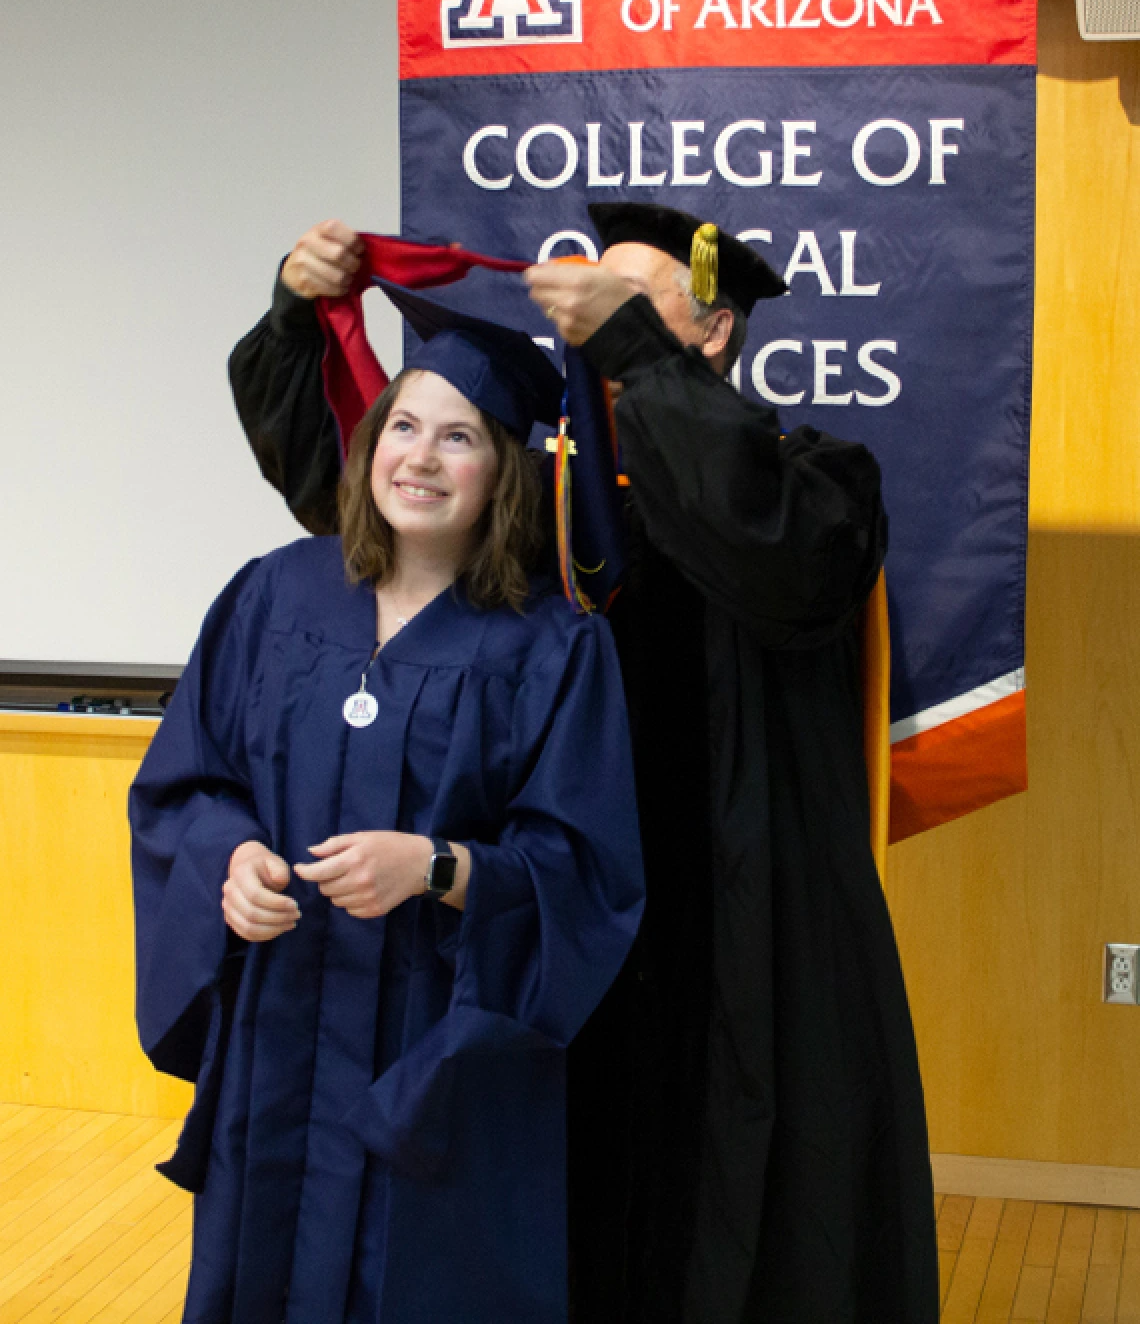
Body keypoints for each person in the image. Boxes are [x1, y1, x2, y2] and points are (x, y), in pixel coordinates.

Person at [228, 204, 939, 1324]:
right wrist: (294, 312)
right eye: (588, 292)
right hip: (551, 903)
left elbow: (772, 556)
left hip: (730, 913)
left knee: (729, 1204)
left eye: (632, 299)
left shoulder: (810, 477)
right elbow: (355, 489)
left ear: (708, 333)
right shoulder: (538, 486)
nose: (585, 309)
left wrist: (637, 361)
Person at [131, 288, 645, 1324]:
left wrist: (441, 867)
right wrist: (229, 858)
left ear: (501, 469)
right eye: (402, 426)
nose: (419, 456)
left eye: (458, 437)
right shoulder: (272, 597)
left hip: (437, 1057)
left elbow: (586, 873)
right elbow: (187, 782)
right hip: (279, 1032)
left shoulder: (552, 648)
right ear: (369, 448)